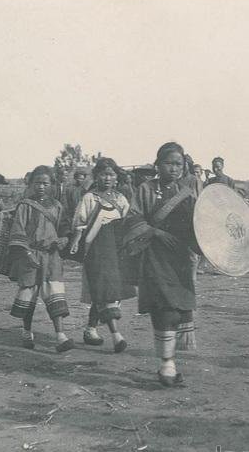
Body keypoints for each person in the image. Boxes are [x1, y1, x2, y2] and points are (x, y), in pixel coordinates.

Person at [123, 142, 199, 387]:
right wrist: (155, 233)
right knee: (163, 307)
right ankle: (167, 364)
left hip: (179, 259)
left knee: (178, 308)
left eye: (178, 164)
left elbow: (199, 224)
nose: (174, 168)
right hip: (154, 256)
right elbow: (133, 218)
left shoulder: (187, 192)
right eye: (169, 163)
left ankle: (169, 361)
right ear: (158, 165)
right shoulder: (145, 189)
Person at [69, 158, 135, 352]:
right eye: (104, 174)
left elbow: (128, 222)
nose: (108, 178)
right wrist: (75, 242)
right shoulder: (90, 198)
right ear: (96, 176)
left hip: (116, 249)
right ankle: (116, 336)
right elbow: (80, 223)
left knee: (110, 292)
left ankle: (90, 329)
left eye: (111, 174)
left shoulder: (120, 199)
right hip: (96, 249)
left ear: (116, 177)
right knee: (105, 290)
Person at [8, 166, 75, 352]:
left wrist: (64, 239)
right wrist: (27, 254)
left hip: (51, 256)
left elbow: (64, 228)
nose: (41, 187)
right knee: (29, 295)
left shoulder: (57, 206)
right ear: (31, 184)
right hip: (30, 255)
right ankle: (27, 331)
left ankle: (60, 336)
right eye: (37, 183)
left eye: (45, 183)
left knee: (54, 293)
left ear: (52, 185)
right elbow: (18, 230)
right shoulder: (25, 206)